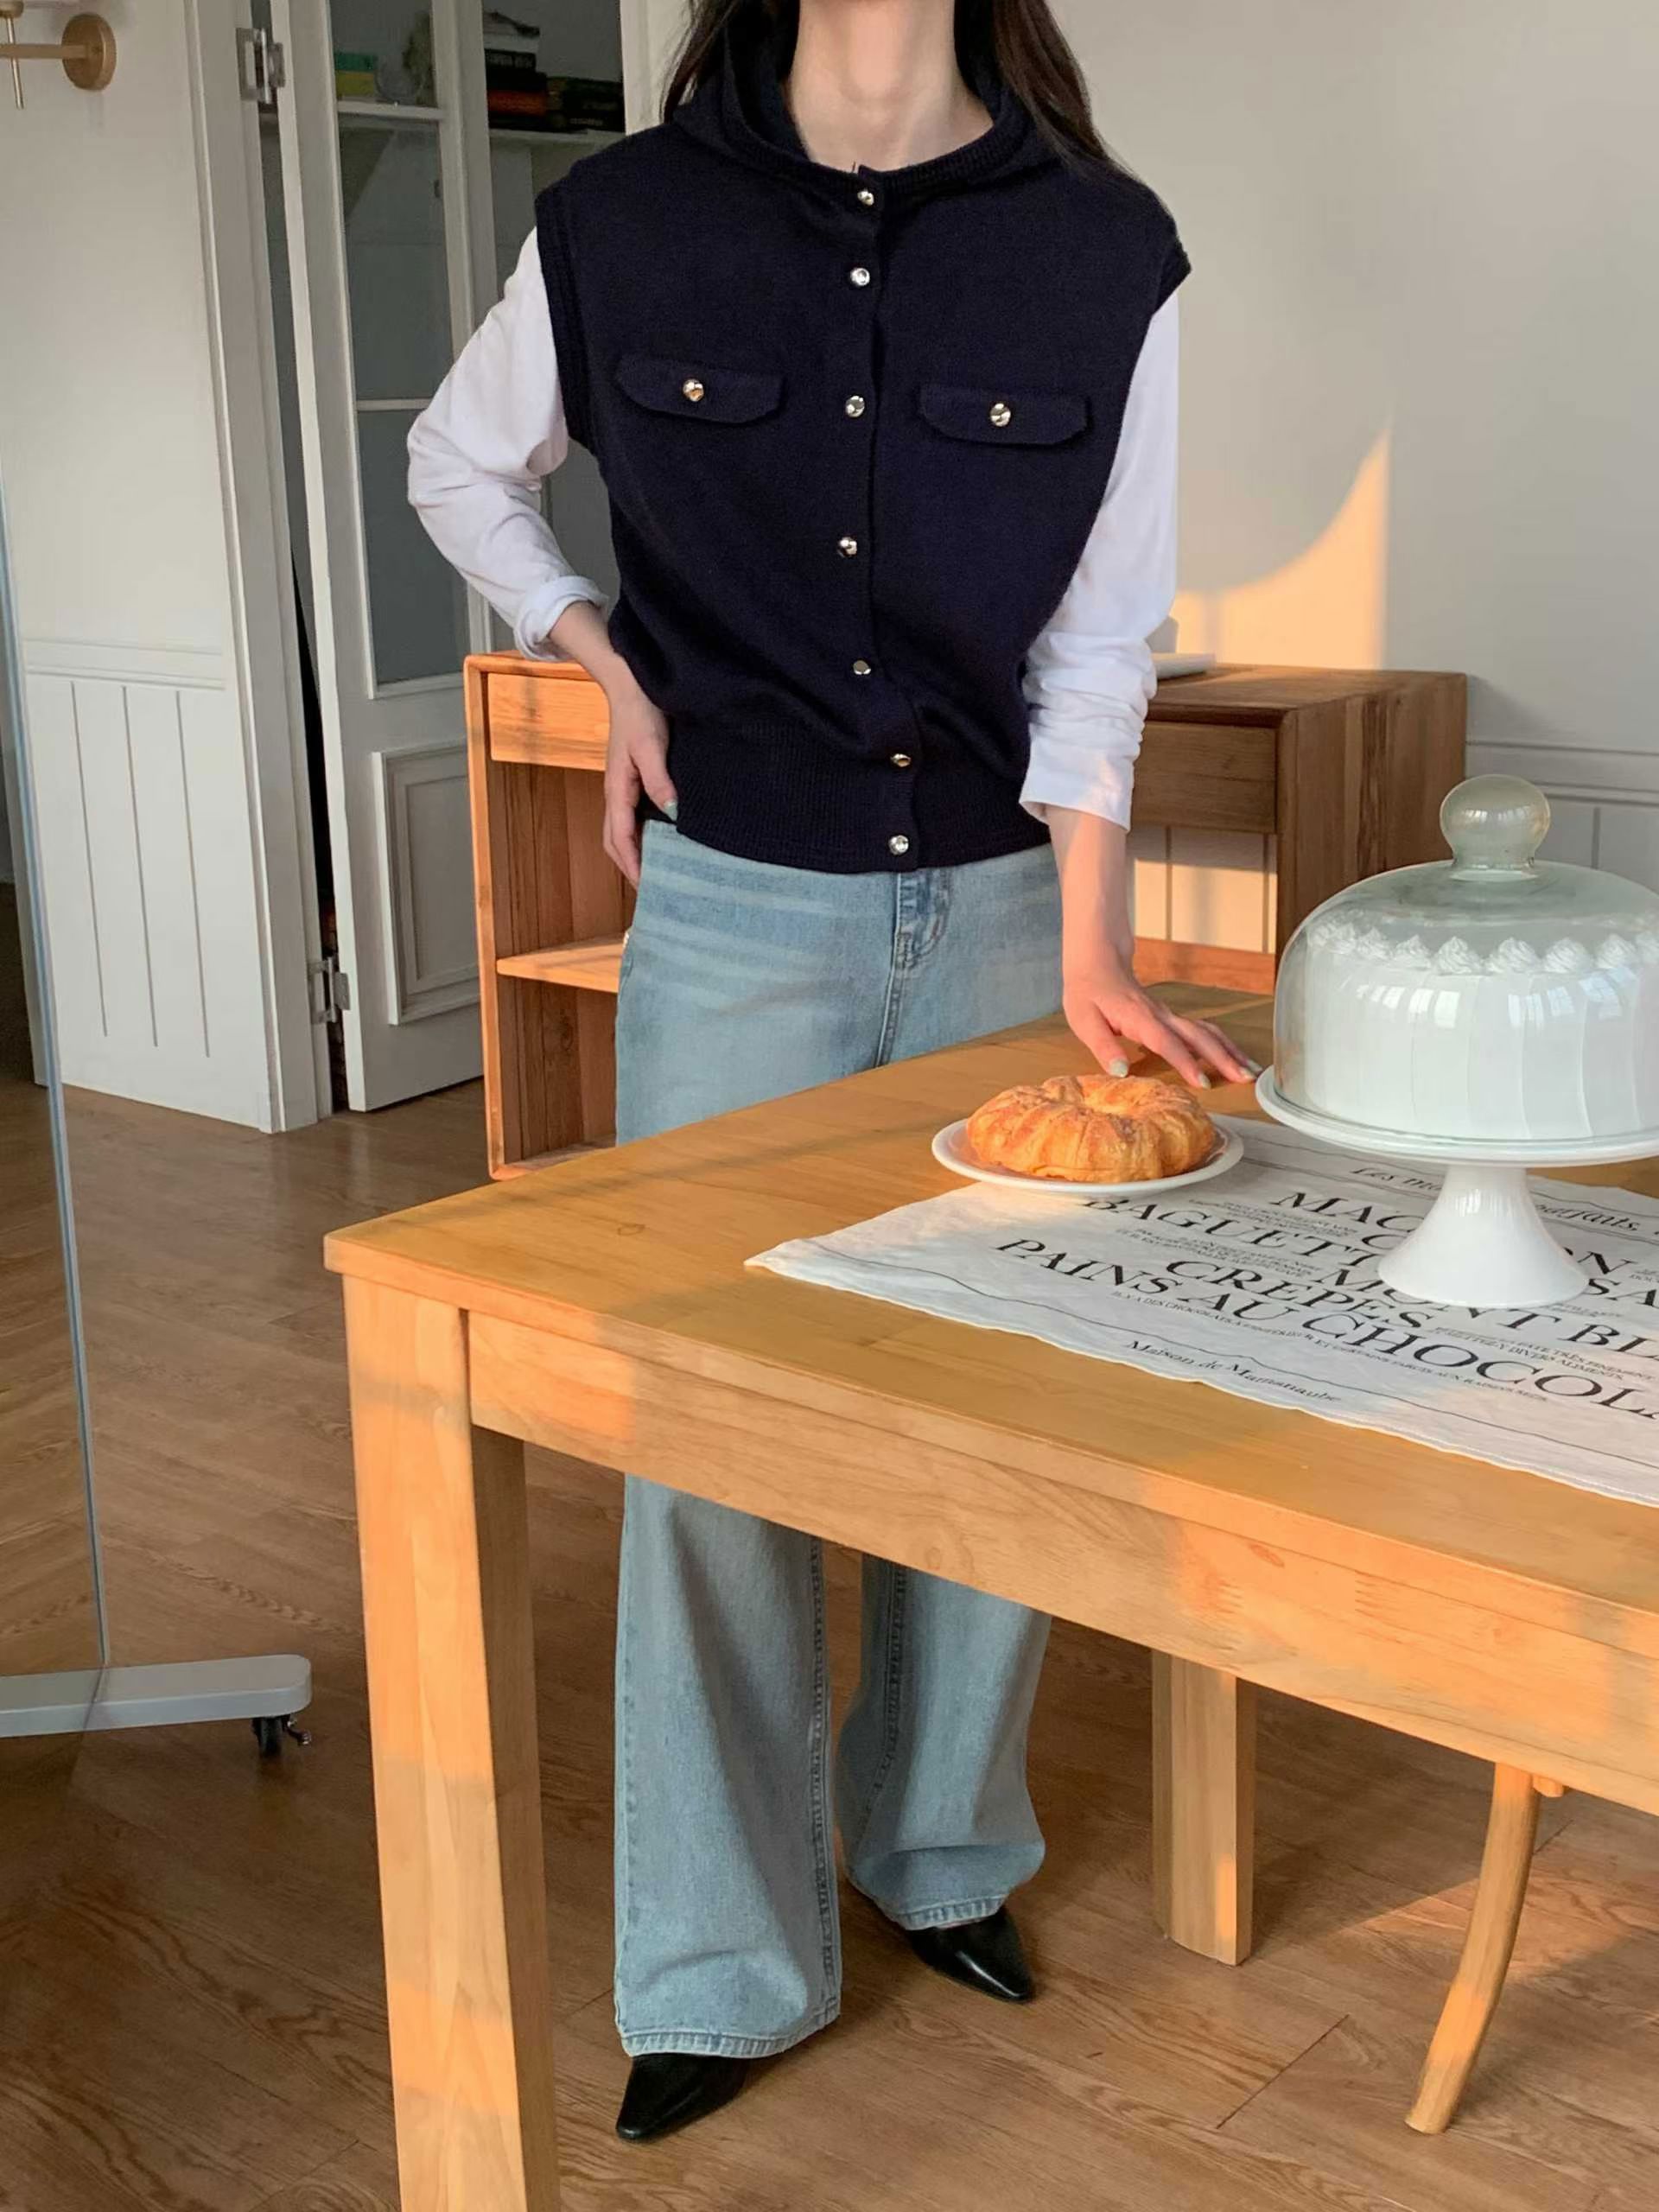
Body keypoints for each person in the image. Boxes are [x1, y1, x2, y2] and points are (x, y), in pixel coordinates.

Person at [410, 0, 1253, 2145]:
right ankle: (718, 1958)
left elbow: (1100, 638)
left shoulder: (1107, 251)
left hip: (1006, 928)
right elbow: (457, 461)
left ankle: (939, 1855)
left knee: (991, 1418)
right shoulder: (623, 223)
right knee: (703, 1443)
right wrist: (594, 652)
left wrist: (1090, 944)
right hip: (730, 926)